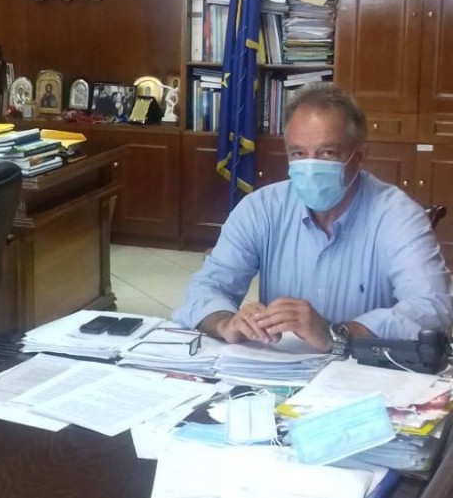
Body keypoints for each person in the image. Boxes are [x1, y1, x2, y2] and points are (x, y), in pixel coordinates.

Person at [173, 83, 451, 352]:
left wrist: (337, 333)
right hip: (279, 368)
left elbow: (434, 308)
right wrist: (225, 322)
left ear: (359, 156)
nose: (310, 166)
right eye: (298, 153)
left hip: (366, 369)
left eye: (327, 153)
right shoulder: (261, 209)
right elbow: (207, 288)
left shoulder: (398, 216)